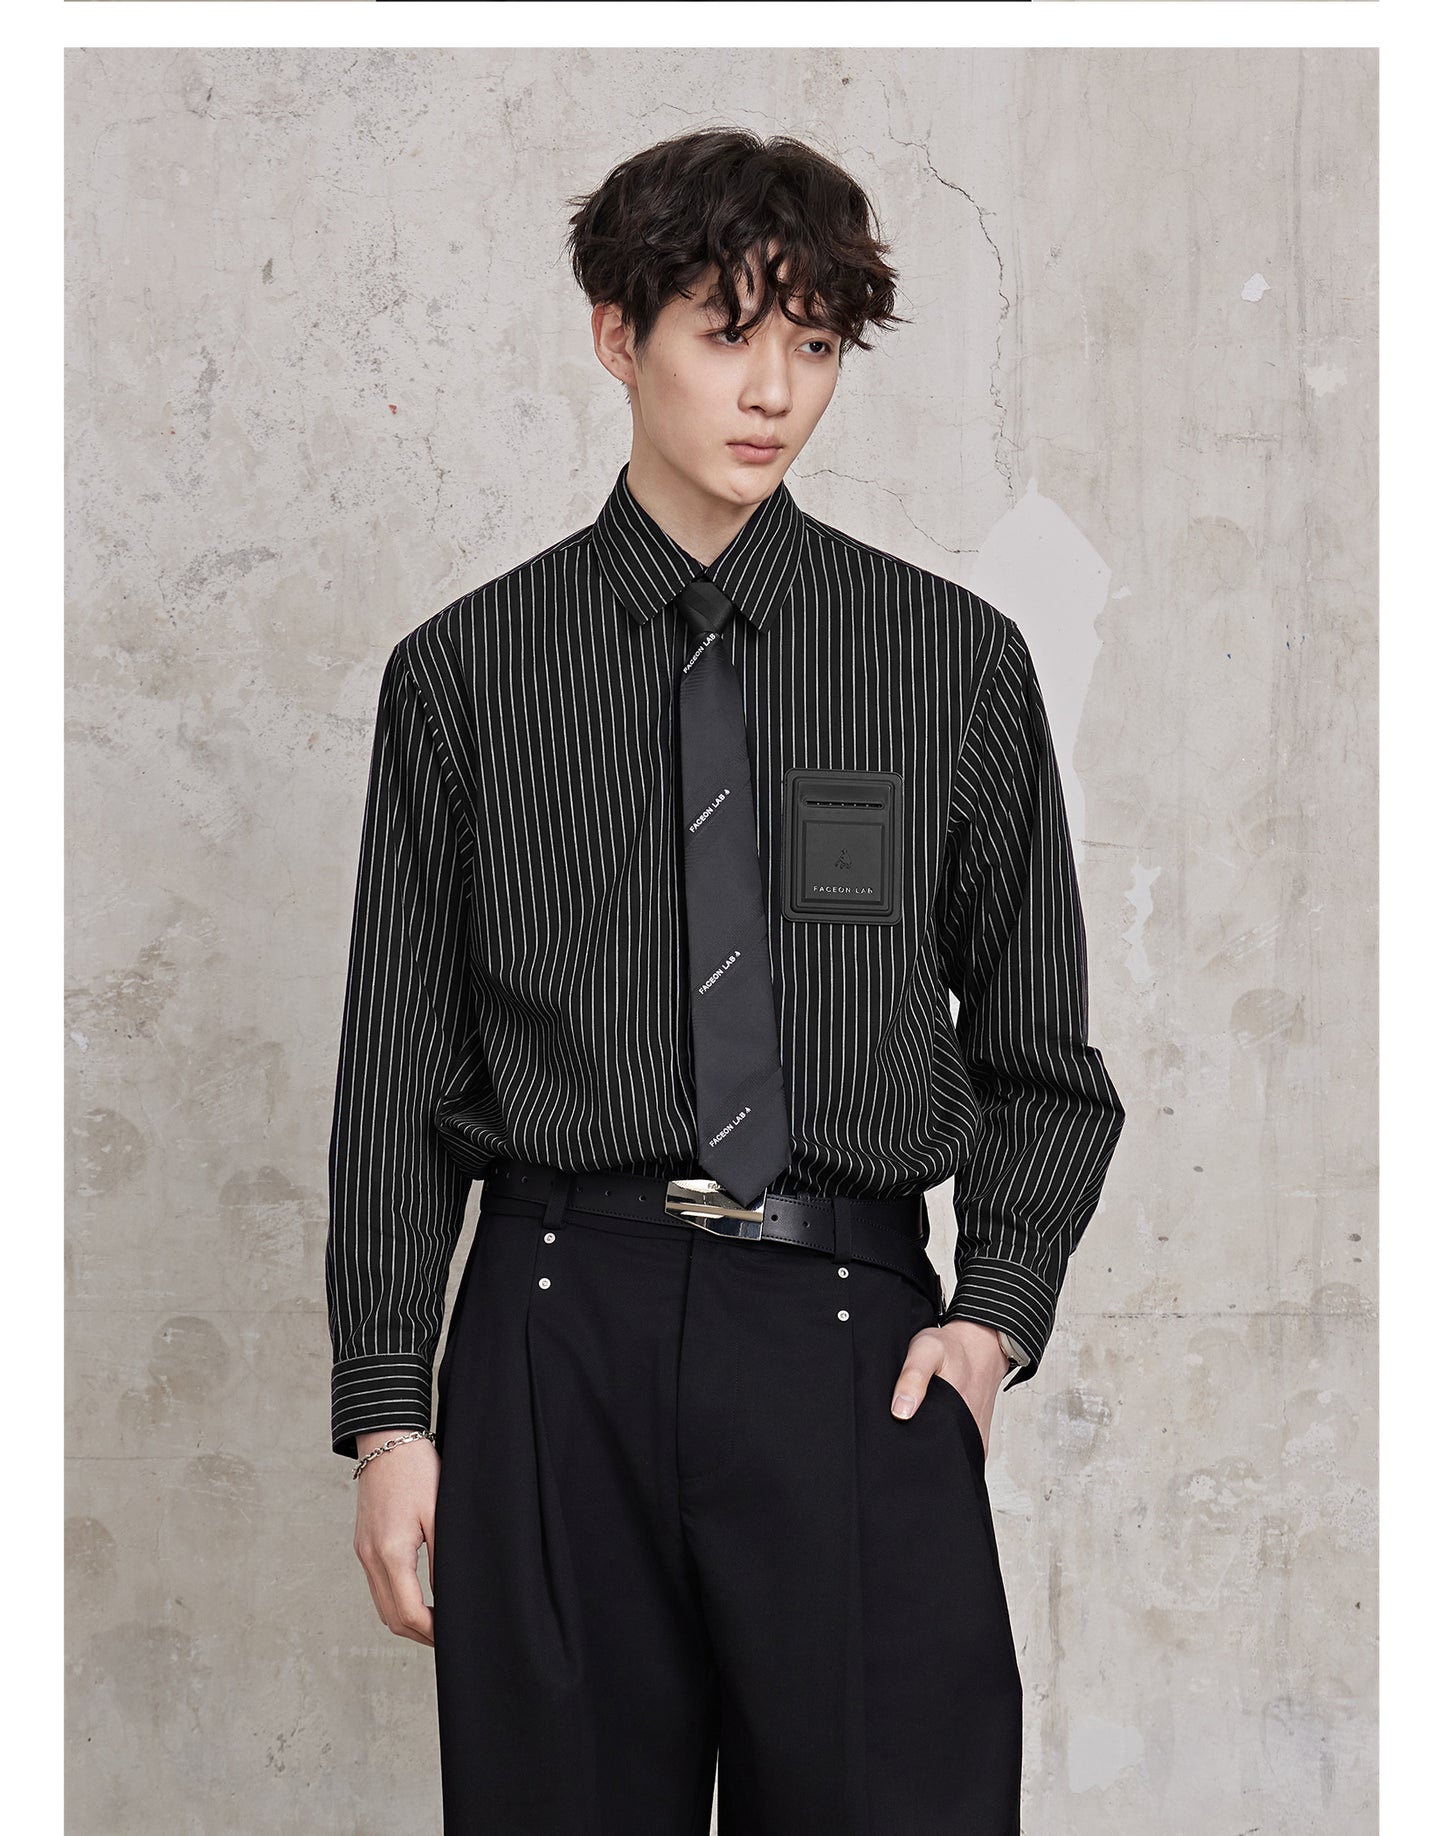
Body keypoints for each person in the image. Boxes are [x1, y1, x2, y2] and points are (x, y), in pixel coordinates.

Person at [325, 127, 1126, 1836]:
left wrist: (990, 1318)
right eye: (725, 332)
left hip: (846, 1338)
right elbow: (398, 1079)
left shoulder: (948, 662)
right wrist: (393, 1416)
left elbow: (1040, 1054)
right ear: (616, 335)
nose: (773, 391)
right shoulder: (467, 674)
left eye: (815, 345)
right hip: (555, 1331)